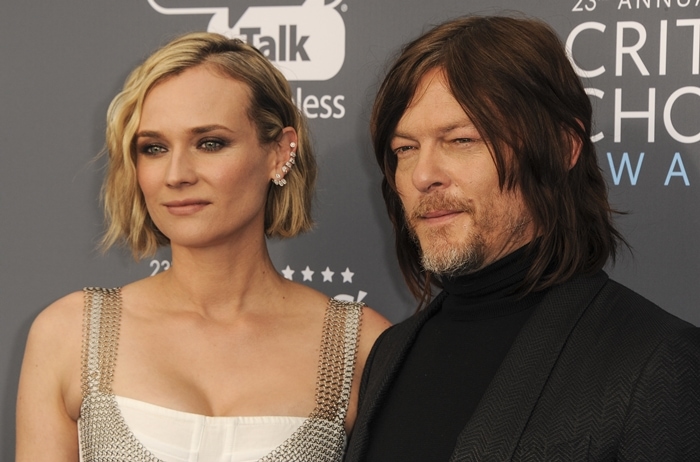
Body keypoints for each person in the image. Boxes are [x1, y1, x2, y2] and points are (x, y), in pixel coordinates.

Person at [16, 32, 389, 462]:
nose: (176, 174)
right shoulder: (71, 334)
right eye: (153, 148)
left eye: (210, 143)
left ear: (280, 153)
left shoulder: (360, 345)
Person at [345, 15, 700, 461]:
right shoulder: (390, 353)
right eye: (405, 149)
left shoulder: (656, 361)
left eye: (460, 140)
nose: (422, 176)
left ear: (561, 147)